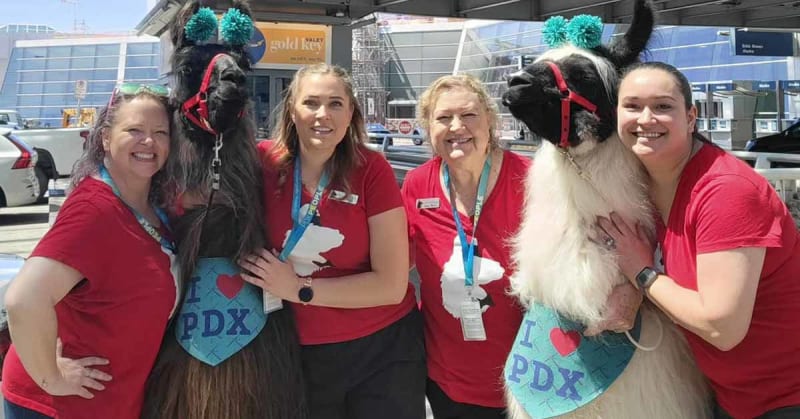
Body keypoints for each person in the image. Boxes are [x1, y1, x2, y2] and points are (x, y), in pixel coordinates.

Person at [599, 61, 800, 419]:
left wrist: (641, 273)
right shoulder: (642, 189)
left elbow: (722, 328)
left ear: (691, 117)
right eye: (632, 106)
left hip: (783, 397)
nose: (646, 118)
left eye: (663, 106)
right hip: (725, 394)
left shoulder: (725, 191)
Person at [239, 63, 426, 419]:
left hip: (382, 351)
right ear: (292, 110)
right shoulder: (261, 163)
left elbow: (391, 285)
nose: (322, 114)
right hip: (295, 351)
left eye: (335, 104)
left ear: (350, 113)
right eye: (311, 102)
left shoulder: (370, 169)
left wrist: (298, 289)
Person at [2, 83, 179, 419]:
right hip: (60, 407)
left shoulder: (151, 207)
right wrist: (51, 377)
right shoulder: (94, 210)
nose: (149, 141)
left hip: (111, 403)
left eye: (160, 132)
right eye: (134, 130)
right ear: (106, 138)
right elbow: (23, 299)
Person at [400, 74, 529, 418]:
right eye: (443, 118)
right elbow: (397, 263)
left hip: (527, 381)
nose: (457, 126)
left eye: (469, 115)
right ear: (429, 128)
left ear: (491, 121)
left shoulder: (529, 180)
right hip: (447, 381)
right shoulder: (417, 184)